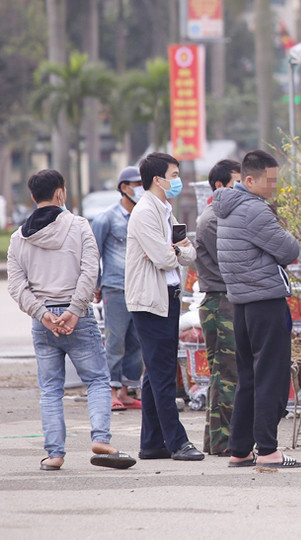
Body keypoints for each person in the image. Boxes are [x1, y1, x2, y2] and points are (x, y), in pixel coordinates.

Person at [7, 169, 136, 471]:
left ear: (33, 197)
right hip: (78, 318)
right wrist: (74, 310)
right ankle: (101, 438)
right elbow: (90, 272)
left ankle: (54, 454)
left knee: (51, 389)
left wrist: (43, 314)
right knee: (98, 380)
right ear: (60, 193)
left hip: (43, 322)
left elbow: (16, 286)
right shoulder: (79, 226)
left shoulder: (18, 238)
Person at [213, 150, 301, 468]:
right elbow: (289, 250)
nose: (274, 186)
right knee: (271, 377)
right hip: (266, 302)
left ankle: (240, 449)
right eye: (270, 181)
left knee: (249, 377)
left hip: (242, 304)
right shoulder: (254, 209)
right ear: (249, 180)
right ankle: (268, 450)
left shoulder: (227, 208)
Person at [125, 152, 203, 461]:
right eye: (174, 175)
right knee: (162, 374)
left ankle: (152, 443)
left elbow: (188, 254)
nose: (177, 180)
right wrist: (174, 251)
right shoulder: (145, 212)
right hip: (150, 301)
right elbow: (165, 258)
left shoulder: (165, 210)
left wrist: (174, 251)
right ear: (157, 180)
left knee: (156, 372)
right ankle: (177, 442)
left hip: (167, 297)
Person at [194, 159, 240, 456]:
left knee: (224, 375)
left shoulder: (224, 217)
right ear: (220, 186)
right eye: (237, 184)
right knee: (226, 376)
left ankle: (217, 442)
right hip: (220, 302)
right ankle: (223, 442)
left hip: (227, 301)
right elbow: (233, 263)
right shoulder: (212, 221)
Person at [92, 166, 144, 411]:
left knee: (136, 342)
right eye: (138, 184)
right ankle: (110, 391)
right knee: (115, 342)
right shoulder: (106, 218)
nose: (142, 189)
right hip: (115, 287)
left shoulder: (144, 217)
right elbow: (94, 254)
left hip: (140, 288)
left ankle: (126, 391)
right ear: (124, 187)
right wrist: (96, 284)